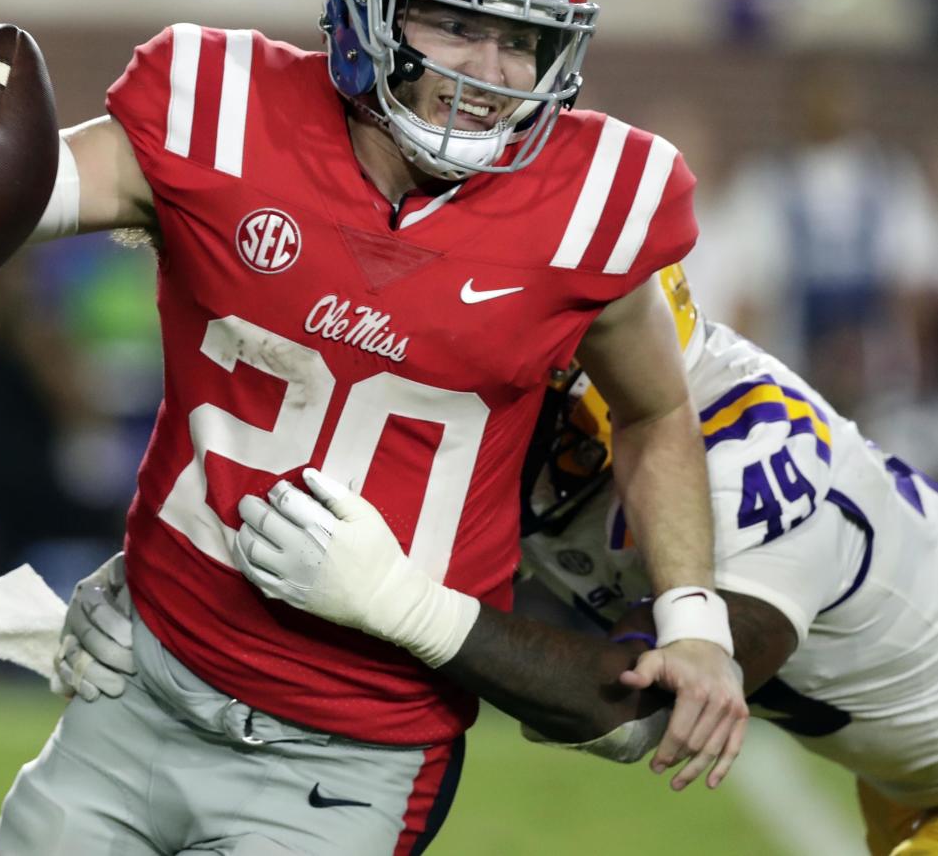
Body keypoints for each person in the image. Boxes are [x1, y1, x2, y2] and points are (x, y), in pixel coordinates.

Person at [0, 0, 746, 854]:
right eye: (454, 22)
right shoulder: (219, 109)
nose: (489, 75)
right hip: (138, 692)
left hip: (351, 756)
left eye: (521, 38)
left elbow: (655, 409)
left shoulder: (596, 202)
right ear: (365, 8)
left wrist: (695, 619)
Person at [180, 264, 932, 856]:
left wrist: (401, 603)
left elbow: (634, 709)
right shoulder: (587, 436)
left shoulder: (756, 459)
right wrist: (155, 593)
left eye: (531, 393)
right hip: (896, 774)